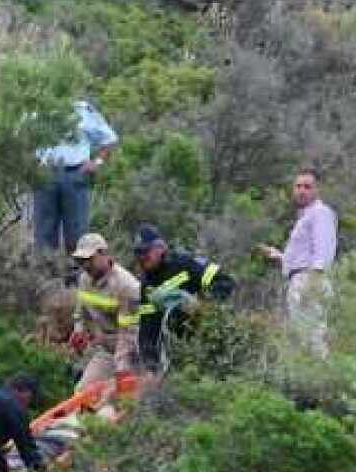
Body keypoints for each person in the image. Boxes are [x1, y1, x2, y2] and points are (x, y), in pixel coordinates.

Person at [258, 167, 338, 358]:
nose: (302, 190)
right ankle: (310, 379)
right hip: (300, 278)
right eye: (298, 186)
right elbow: (301, 256)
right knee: (302, 336)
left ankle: (320, 380)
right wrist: (277, 255)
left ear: (317, 190)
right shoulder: (305, 217)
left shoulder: (320, 212)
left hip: (309, 280)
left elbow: (323, 249)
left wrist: (313, 282)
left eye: (307, 186)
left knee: (313, 336)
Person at [133, 224, 236, 373]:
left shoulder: (185, 263)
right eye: (137, 253)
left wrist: (201, 304)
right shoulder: (147, 285)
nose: (141, 257)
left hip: (211, 336)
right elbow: (148, 331)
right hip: (179, 351)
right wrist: (150, 368)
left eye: (145, 251)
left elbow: (226, 282)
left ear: (160, 248)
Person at [34, 100, 118, 258]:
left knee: (77, 236)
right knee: (43, 236)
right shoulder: (37, 105)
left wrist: (97, 162)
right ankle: (44, 279)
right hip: (44, 175)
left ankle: (77, 280)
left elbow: (109, 139)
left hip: (75, 174)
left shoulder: (83, 110)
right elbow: (20, 136)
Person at [69, 233, 141, 401]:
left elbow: (129, 332)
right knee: (82, 394)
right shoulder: (84, 279)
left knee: (118, 399)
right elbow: (81, 311)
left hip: (132, 352)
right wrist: (79, 330)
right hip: (106, 348)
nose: (85, 265)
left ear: (103, 254)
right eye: (81, 261)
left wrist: (121, 367)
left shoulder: (127, 286)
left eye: (89, 259)